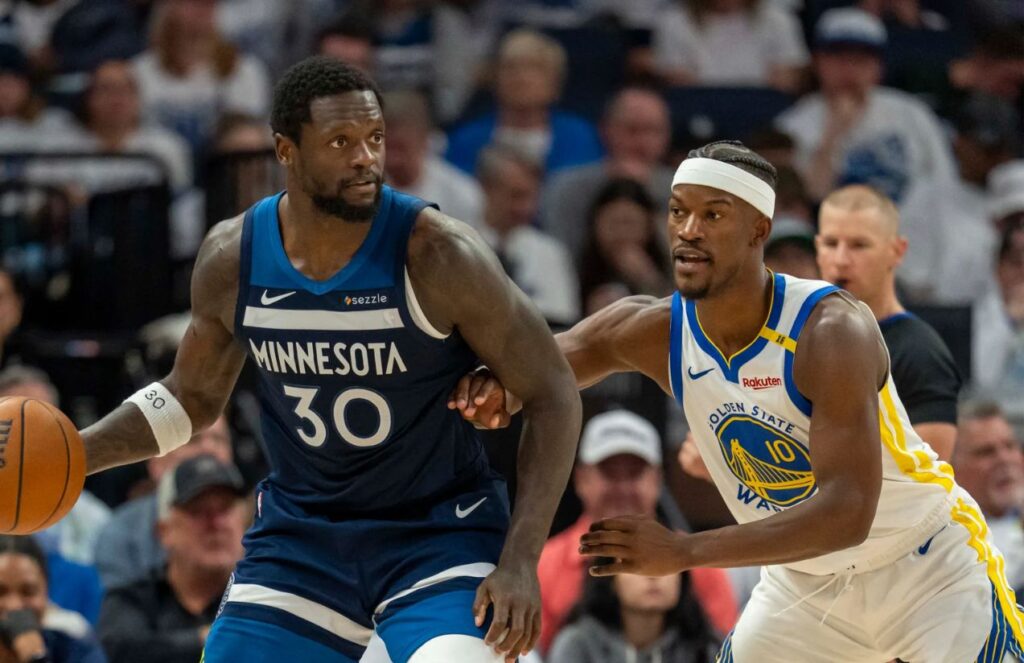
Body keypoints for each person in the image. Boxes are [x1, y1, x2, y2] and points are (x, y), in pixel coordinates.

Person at [75, 56, 582, 663]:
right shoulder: (233, 258)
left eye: (374, 138)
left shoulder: (439, 253)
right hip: (302, 538)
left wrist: (522, 559)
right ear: (286, 151)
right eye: (341, 141)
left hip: (438, 533)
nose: (366, 157)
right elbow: (189, 399)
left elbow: (554, 391)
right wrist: (76, 455)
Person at [455, 140, 1023, 661]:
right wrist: (497, 388)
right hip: (804, 588)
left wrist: (683, 552)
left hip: (922, 570)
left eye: (713, 214)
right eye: (678, 211)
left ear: (758, 229)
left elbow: (847, 512)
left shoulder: (829, 330)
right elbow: (547, 366)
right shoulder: (653, 330)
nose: (689, 230)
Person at [535, 410, 737, 653]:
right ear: (581, 479)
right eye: (609, 472)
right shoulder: (544, 565)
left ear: (657, 480)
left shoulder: (699, 561)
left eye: (635, 472)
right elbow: (531, 655)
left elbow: (726, 648)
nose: (622, 487)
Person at [815, 185, 961, 459]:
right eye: (831, 243)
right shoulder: (793, 338)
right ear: (817, 247)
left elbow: (926, 474)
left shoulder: (920, 352)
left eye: (860, 245)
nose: (841, 260)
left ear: (897, 251)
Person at [776, 7, 955, 202]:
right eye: (839, 59)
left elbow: (945, 181)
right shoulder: (793, 125)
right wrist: (834, 131)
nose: (849, 70)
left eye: (860, 61)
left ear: (879, 67)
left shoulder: (911, 112)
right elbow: (810, 198)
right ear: (818, 62)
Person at [97, 455, 248, 663]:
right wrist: (217, 638)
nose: (216, 523)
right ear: (163, 531)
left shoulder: (261, 596)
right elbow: (123, 650)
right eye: (198, 511)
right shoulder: (132, 599)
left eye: (226, 508)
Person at [898, 93, 1019, 306]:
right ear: (959, 142)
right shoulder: (927, 196)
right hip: (952, 316)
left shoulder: (1017, 187)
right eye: (986, 148)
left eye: (1001, 148)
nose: (995, 157)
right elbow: (913, 280)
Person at [93, 415, 234, 590]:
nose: (209, 449)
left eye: (219, 440)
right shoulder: (121, 533)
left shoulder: (258, 518)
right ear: (156, 462)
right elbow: (117, 609)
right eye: (193, 440)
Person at [445, 29, 603, 178]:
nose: (521, 77)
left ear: (556, 82)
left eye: (534, 68)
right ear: (495, 79)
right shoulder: (467, 140)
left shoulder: (579, 137)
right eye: (510, 67)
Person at [540, 86, 673, 262]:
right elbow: (558, 259)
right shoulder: (566, 188)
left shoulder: (684, 190)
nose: (642, 142)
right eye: (632, 130)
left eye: (653, 131)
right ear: (605, 130)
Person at [476, 143, 580, 326]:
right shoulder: (455, 245)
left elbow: (562, 317)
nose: (525, 207)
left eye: (531, 196)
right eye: (516, 195)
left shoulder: (550, 252)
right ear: (487, 188)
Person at [549, 571, 718, 663]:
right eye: (638, 565)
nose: (654, 576)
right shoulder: (578, 644)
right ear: (610, 578)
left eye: (668, 565)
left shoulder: (705, 647)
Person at [652, 0, 808, 91]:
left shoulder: (779, 20)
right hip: (699, 111)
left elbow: (789, 78)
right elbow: (678, 82)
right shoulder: (674, 22)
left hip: (763, 109)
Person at [382, 90, 483, 227]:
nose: (392, 157)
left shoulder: (460, 194)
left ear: (423, 138)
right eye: (385, 145)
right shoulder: (357, 192)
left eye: (399, 147)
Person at [952, 401, 1024, 592]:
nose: (1004, 459)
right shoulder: (951, 540)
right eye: (986, 452)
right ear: (954, 469)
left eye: (1010, 446)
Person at [0, 536, 107, 663]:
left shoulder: (76, 652)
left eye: (28, 592)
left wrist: (35, 658)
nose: (15, 606)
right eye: (0, 592)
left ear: (46, 592)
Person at [578, 178, 673, 315]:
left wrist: (648, 280)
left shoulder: (673, 265)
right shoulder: (576, 267)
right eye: (613, 224)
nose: (621, 234)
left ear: (649, 227)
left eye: (629, 223)